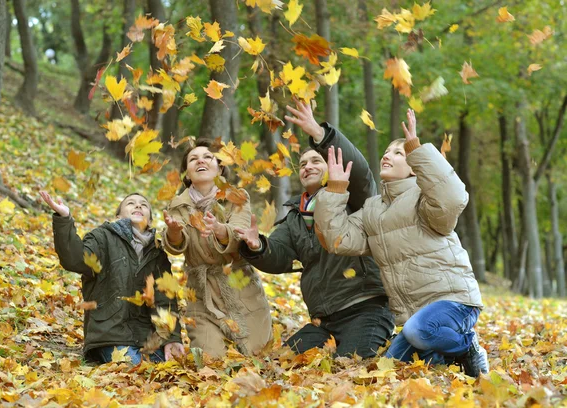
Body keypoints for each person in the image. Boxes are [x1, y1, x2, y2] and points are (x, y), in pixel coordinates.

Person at [313, 109, 489, 376]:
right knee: (391, 369)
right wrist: (335, 189)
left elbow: (453, 197)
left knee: (419, 332)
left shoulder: (424, 198)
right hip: (412, 316)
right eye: (386, 151)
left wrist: (417, 149)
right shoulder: (373, 209)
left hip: (453, 300)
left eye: (398, 153)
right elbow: (338, 239)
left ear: (413, 167)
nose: (387, 155)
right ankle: (444, 358)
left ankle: (468, 346)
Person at [235, 100, 394, 358]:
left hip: (366, 309)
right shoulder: (295, 216)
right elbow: (279, 255)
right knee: (281, 364)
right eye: (303, 164)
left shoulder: (355, 197)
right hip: (323, 321)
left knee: (351, 366)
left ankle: (394, 341)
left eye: (315, 161)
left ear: (332, 165)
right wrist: (257, 246)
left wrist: (320, 135)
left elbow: (361, 172)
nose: (307, 166)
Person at [40, 191, 183, 365]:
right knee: (136, 371)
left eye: (144, 205)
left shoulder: (158, 252)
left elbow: (165, 301)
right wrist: (64, 219)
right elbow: (75, 260)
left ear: (150, 220)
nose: (138, 205)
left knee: (168, 370)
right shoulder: (102, 238)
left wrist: (172, 339)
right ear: (118, 216)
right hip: (110, 336)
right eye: (131, 203)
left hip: (146, 339)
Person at [161, 140, 272, 358]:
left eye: (207, 157)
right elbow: (175, 245)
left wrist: (221, 230)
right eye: (193, 159)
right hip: (201, 294)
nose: (200, 160)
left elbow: (239, 232)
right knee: (210, 365)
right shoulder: (176, 205)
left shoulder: (237, 196)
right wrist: (173, 232)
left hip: (240, 286)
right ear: (187, 173)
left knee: (260, 359)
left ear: (220, 168)